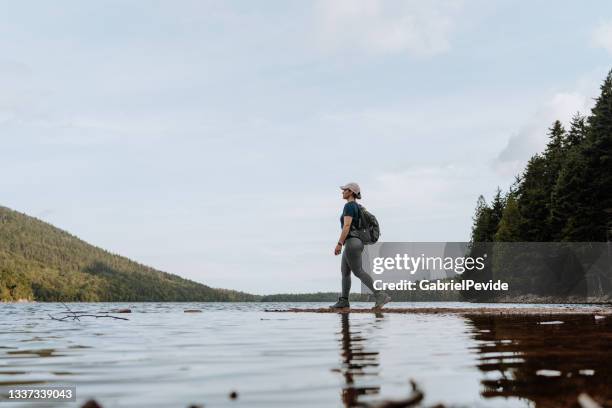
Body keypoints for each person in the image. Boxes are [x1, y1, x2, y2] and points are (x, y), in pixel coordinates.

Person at [331, 182, 391, 309]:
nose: (342, 192)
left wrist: (339, 243)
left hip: (352, 241)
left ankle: (380, 295)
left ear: (351, 192)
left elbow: (347, 226)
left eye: (345, 190)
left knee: (358, 271)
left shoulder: (349, 206)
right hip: (354, 242)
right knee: (345, 272)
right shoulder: (357, 207)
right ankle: (344, 300)